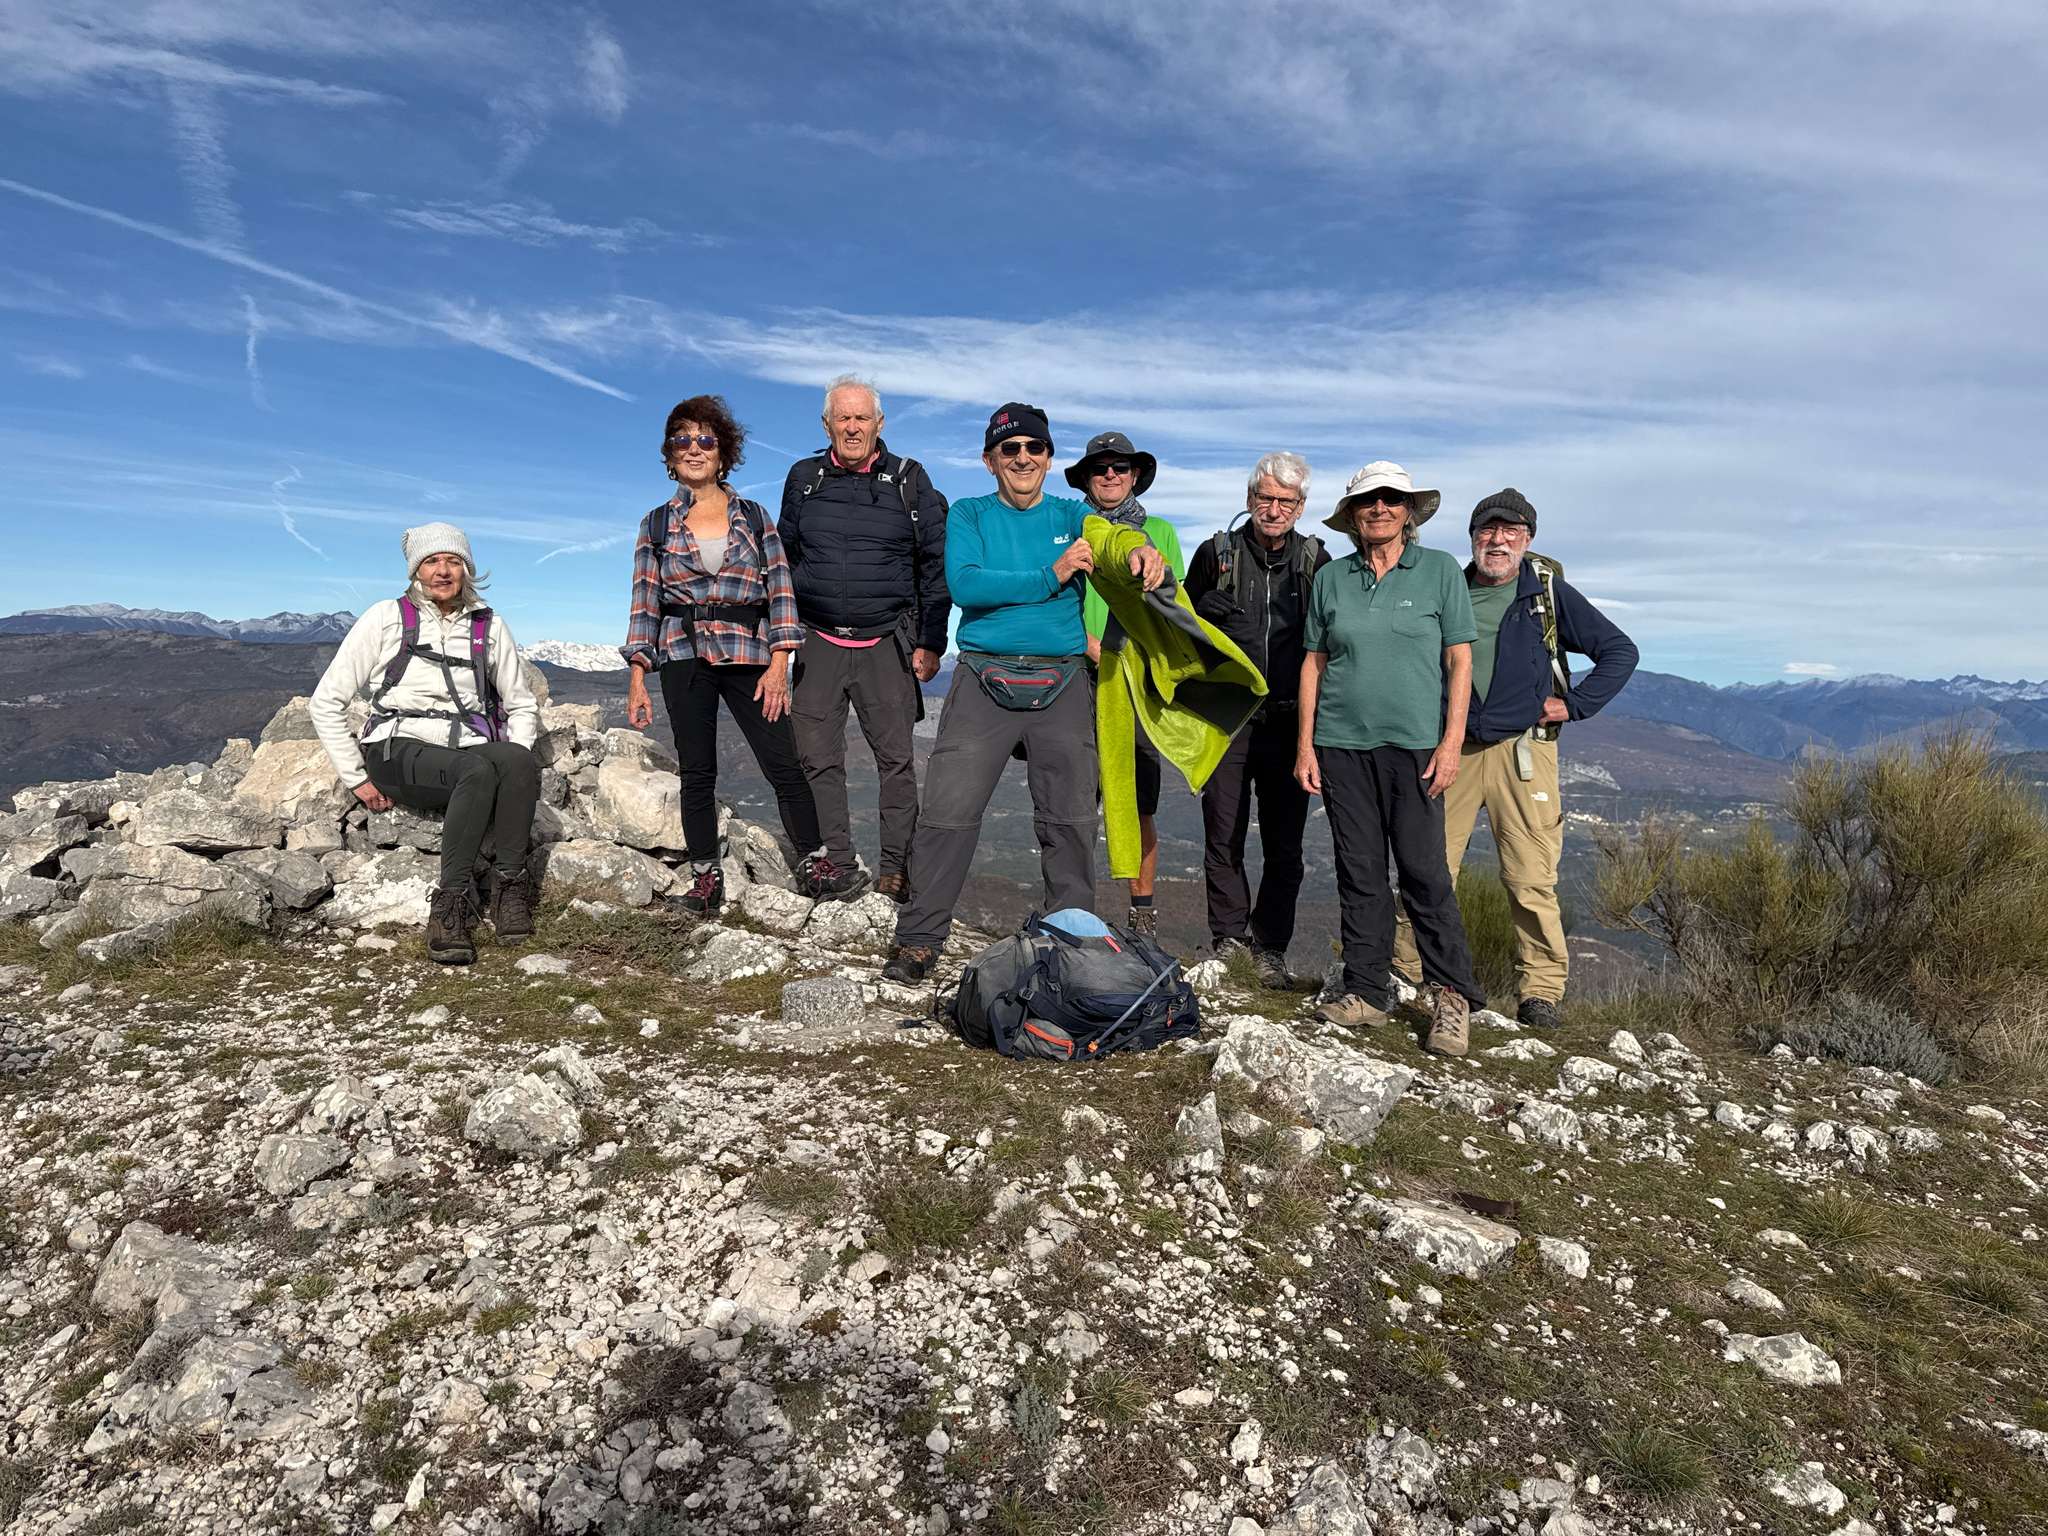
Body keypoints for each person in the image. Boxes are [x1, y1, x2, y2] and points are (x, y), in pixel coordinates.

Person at [882, 403, 1163, 984]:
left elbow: (1110, 540)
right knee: (948, 815)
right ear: (990, 461)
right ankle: (919, 940)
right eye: (1009, 449)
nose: (1023, 458)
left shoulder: (1074, 514)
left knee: (1070, 823)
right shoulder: (970, 513)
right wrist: (1051, 574)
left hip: (1063, 680)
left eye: (1035, 447)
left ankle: (1073, 949)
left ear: (1049, 458)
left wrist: (1138, 548)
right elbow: (966, 584)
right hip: (982, 676)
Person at [1390, 488, 1639, 1029]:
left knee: (1530, 878)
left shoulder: (1545, 594)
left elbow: (1620, 651)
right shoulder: (1449, 589)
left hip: (1524, 752)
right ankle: (1403, 972)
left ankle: (1540, 993)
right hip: (1450, 748)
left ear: (1527, 540)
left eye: (1511, 532)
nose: (1497, 540)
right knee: (1426, 868)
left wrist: (1574, 705)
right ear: (1472, 537)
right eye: (1487, 530)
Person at [620, 395, 860, 914]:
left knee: (783, 761)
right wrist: (639, 674)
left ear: (723, 452)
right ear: (670, 455)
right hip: (683, 653)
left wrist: (780, 662)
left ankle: (815, 864)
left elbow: (781, 590)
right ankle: (705, 879)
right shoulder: (656, 524)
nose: (694, 448)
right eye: (682, 440)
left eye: (705, 439)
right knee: (697, 770)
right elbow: (645, 602)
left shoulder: (753, 517)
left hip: (750, 652)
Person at [1296, 462, 1487, 1056]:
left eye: (1391, 499)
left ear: (1408, 512)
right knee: (1359, 873)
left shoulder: (1440, 571)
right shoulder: (1332, 578)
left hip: (1417, 748)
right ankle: (1366, 991)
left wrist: (1451, 743)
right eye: (1368, 500)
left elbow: (1459, 660)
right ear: (1352, 514)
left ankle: (1451, 998)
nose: (1379, 508)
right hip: (1341, 745)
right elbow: (1314, 663)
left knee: (1425, 872)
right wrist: (1305, 745)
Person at [310, 522, 541, 965]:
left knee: (517, 760)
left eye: (453, 561)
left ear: (467, 569)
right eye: (431, 561)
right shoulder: (386, 617)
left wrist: (519, 764)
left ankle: (509, 888)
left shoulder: (488, 626)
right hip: (396, 748)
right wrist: (355, 777)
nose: (443, 571)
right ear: (415, 570)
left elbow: (521, 704)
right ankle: (450, 905)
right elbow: (326, 702)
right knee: (476, 771)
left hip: (463, 746)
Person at [780, 375, 950, 904]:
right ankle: (836, 859)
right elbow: (785, 556)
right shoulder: (804, 478)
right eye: (843, 418)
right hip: (817, 638)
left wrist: (931, 640)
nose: (852, 427)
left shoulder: (909, 479)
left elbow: (934, 564)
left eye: (861, 418)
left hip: (887, 641)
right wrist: (781, 637)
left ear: (879, 424)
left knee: (895, 762)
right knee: (817, 758)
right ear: (826, 425)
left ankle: (895, 870)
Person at [1185, 452, 1330, 986]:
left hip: (1291, 721)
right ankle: (1229, 939)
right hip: (1228, 716)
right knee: (1222, 833)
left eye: (1286, 501)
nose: (1274, 509)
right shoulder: (1215, 553)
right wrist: (1201, 608)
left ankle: (1270, 948)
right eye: (1265, 498)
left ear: (1301, 507)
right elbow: (1179, 624)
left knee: (1284, 844)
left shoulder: (1316, 561)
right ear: (1249, 499)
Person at [1071, 430, 1185, 937]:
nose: (1111, 474)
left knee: (1140, 804)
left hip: (1135, 683)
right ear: (1087, 479)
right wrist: (1087, 643)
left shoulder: (1161, 532)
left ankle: (1142, 916)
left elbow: (1172, 608)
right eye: (1100, 468)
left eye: (1121, 467)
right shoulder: (1070, 529)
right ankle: (1073, 910)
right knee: (1072, 803)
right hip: (1074, 676)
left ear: (1135, 475)